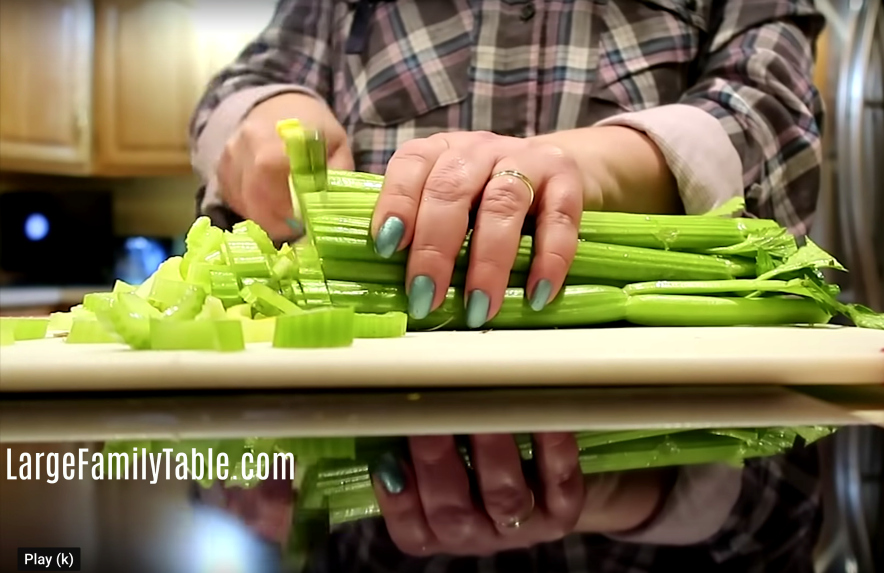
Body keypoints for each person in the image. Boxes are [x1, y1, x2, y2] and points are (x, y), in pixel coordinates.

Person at [189, 0, 827, 571]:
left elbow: (772, 108)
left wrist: (597, 170)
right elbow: (248, 81)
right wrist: (268, 113)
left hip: (648, 409)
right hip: (370, 415)